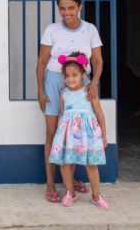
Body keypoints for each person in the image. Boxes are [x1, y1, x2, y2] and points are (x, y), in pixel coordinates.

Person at [36, 0, 104, 203]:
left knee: (76, 133)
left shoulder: (90, 30)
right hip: (55, 81)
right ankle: (50, 183)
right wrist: (41, 90)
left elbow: (98, 61)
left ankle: (70, 182)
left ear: (80, 7)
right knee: (52, 134)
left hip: (81, 82)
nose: (66, 12)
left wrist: (93, 82)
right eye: (62, 8)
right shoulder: (52, 30)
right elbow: (41, 62)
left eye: (71, 8)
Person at [49, 53, 109, 210]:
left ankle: (97, 196)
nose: (70, 79)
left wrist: (103, 135)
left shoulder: (89, 91)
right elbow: (63, 115)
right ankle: (70, 192)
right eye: (67, 75)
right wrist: (59, 137)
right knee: (65, 164)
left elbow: (99, 114)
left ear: (83, 74)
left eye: (74, 75)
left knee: (91, 165)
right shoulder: (63, 93)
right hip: (67, 135)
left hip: (88, 135)